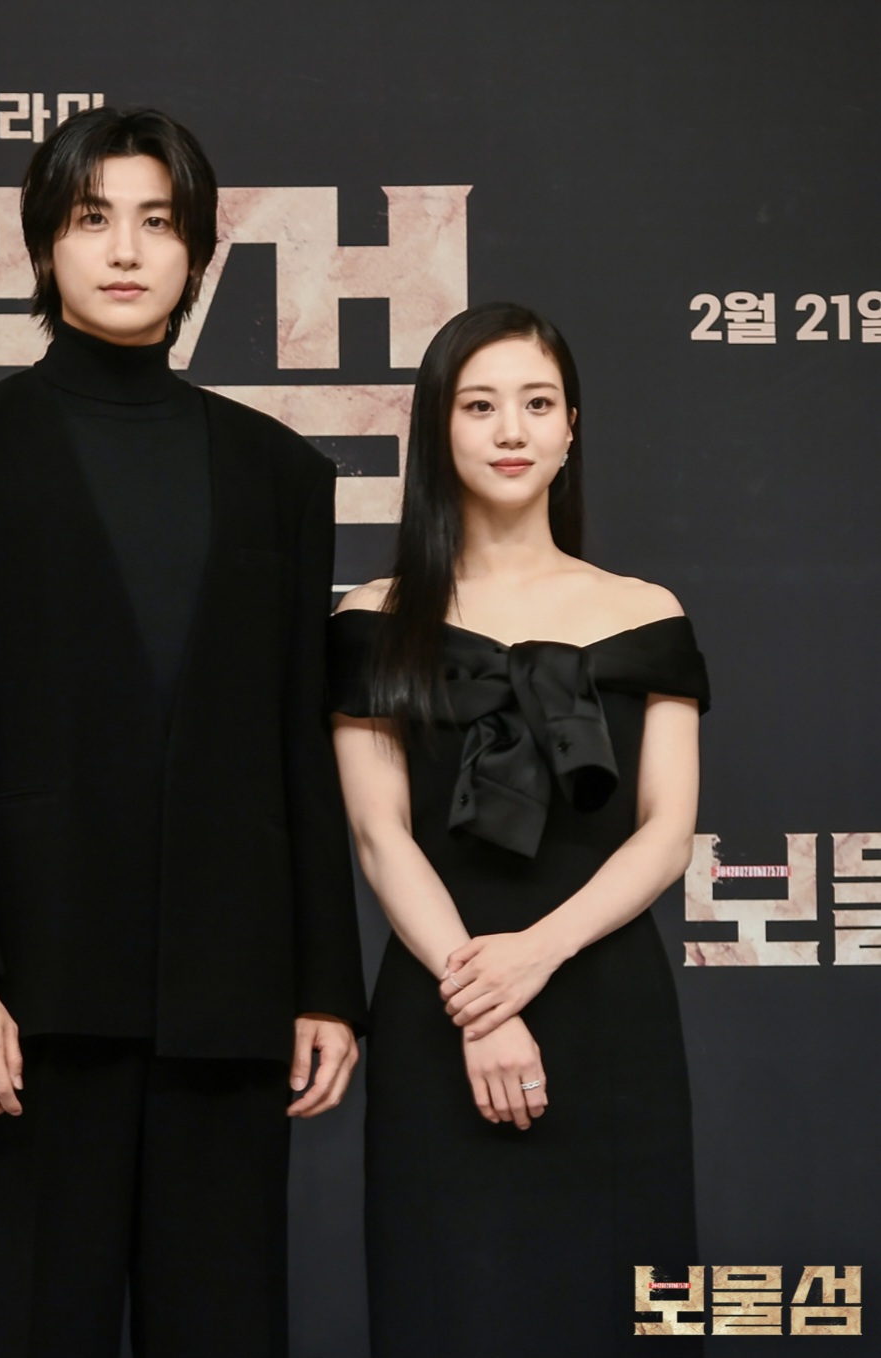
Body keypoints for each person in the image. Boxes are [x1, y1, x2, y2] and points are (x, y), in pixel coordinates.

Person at [0, 107, 366, 1358]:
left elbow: (297, 746)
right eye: (93, 218)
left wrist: (324, 980)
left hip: (226, 995)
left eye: (156, 221)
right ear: (46, 242)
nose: (126, 249)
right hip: (21, 1007)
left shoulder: (278, 473)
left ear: (197, 250)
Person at [328, 302, 707, 1356]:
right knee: (448, 1304)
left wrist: (535, 953)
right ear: (437, 428)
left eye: (537, 404)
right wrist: (479, 1000)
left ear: (570, 427)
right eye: (479, 405)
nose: (510, 430)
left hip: (606, 1004)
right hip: (438, 1002)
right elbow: (379, 836)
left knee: (621, 1308)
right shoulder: (370, 618)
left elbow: (666, 830)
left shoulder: (645, 612)